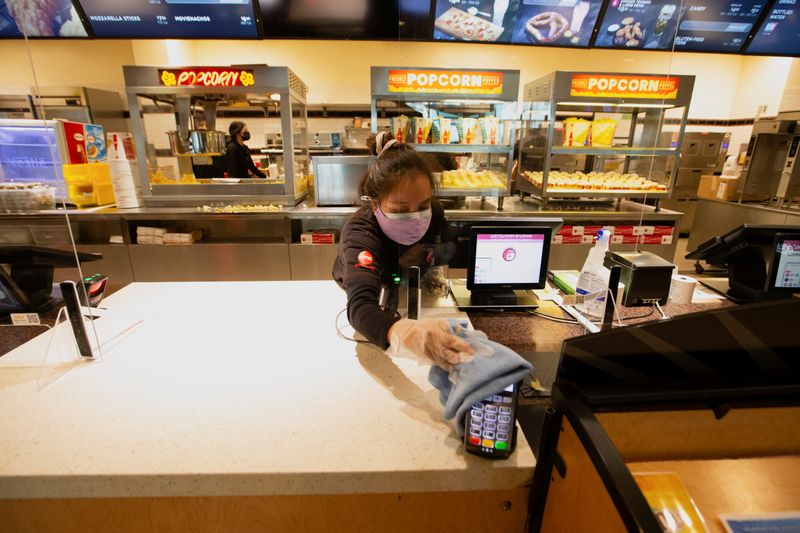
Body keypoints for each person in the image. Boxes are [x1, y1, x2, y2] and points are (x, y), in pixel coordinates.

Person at [333, 131, 473, 368]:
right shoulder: (361, 233)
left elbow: (450, 245)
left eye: (423, 205)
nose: (415, 217)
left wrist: (432, 253)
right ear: (375, 203)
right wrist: (406, 335)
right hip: (372, 282)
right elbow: (360, 307)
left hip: (415, 284)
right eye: (399, 210)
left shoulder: (435, 213)